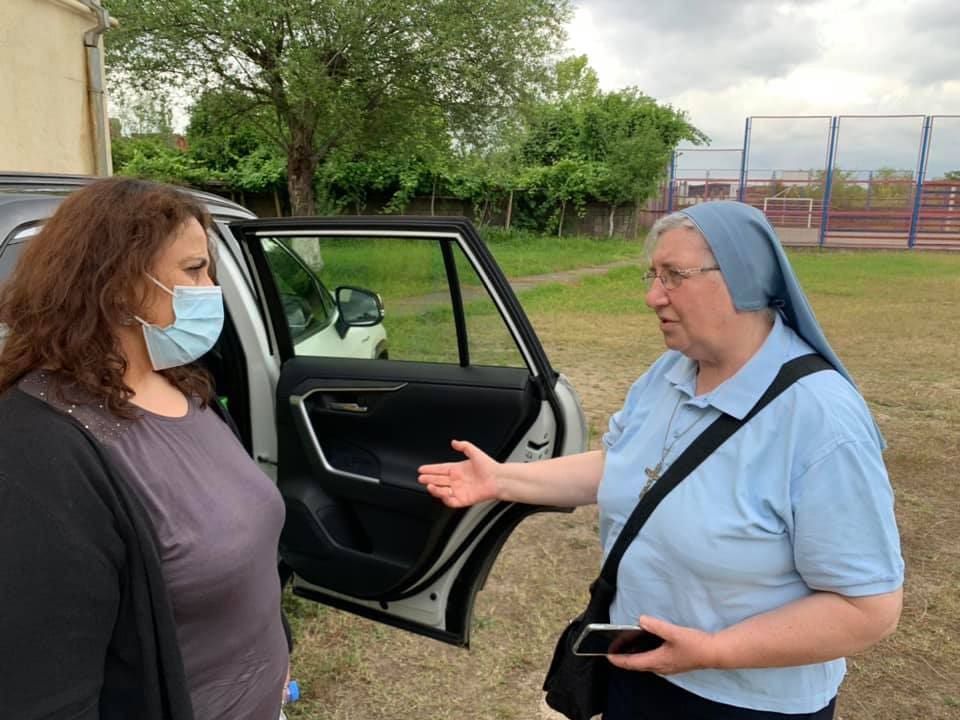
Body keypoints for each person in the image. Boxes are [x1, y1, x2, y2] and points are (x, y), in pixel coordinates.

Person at [418, 201, 904, 720]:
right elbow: (625, 468)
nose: (653, 296)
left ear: (744, 278)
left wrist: (713, 652)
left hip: (746, 703)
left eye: (674, 275)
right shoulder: (670, 372)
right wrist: (502, 478)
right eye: (653, 275)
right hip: (638, 667)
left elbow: (867, 610)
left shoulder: (822, 420)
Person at [0, 178, 289, 720]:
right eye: (194, 269)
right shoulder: (40, 447)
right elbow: (46, 693)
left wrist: (278, 654)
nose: (211, 289)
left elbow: (246, 560)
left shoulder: (185, 386)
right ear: (116, 282)